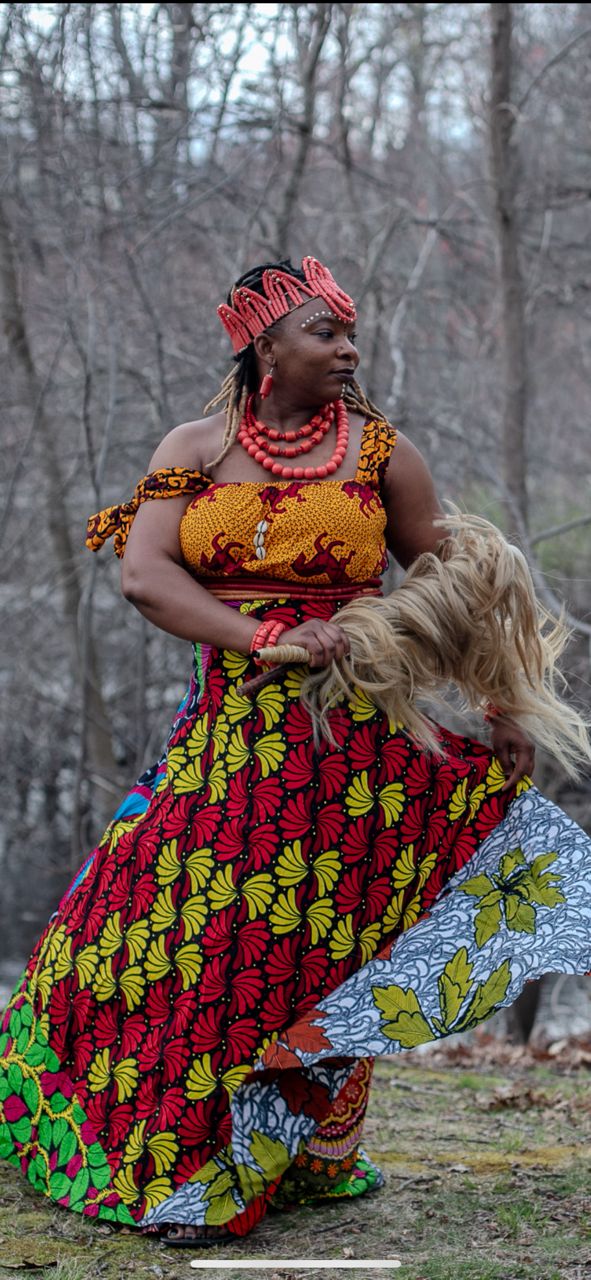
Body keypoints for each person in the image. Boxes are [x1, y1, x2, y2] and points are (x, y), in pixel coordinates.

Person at [1, 256, 590, 1250]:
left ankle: (264, 1160)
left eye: (350, 332)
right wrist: (264, 637)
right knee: (151, 932)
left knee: (302, 957)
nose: (347, 348)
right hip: (229, 745)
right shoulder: (192, 448)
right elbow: (145, 576)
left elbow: (464, 583)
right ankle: (164, 1148)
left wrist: (501, 703)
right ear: (264, 347)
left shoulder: (380, 455)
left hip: (349, 761)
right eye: (326, 331)